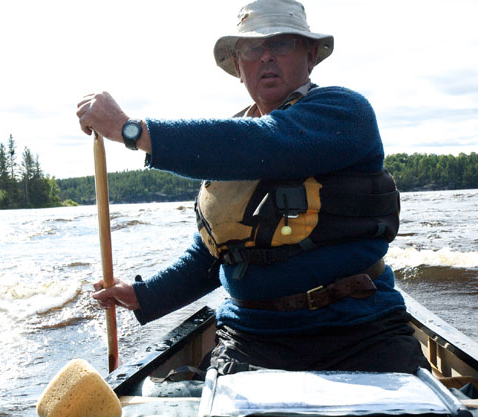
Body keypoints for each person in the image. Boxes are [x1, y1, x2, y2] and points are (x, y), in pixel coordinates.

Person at [76, 0, 430, 374]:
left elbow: (266, 143)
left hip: (359, 327)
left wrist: (132, 131)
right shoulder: (230, 145)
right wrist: (143, 295)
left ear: (310, 56)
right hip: (252, 337)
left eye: (281, 44)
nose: (265, 58)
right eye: (252, 48)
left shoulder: (344, 112)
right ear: (238, 67)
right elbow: (215, 253)